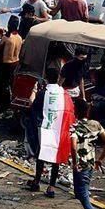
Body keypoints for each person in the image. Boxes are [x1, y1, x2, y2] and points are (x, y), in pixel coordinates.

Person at [69, 96, 105, 209]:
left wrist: (75, 162)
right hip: (91, 163)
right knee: (81, 193)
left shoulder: (74, 127)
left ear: (75, 111)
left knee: (83, 196)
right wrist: (100, 159)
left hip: (80, 166)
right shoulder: (95, 125)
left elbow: (73, 146)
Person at [26, 67, 74, 198]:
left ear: (46, 78)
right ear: (58, 78)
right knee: (55, 157)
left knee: (41, 154)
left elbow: (33, 107)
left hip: (45, 127)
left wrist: (33, 92)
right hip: (59, 128)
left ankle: (36, 181)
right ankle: (51, 186)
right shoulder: (64, 94)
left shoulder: (43, 93)